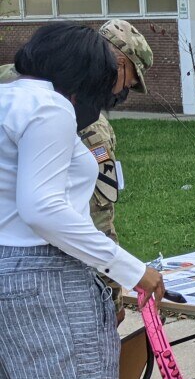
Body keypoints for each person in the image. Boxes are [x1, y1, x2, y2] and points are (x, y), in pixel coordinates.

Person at [0, 22, 165, 379]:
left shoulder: (7, 99)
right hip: (47, 279)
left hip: (9, 274)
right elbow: (45, 208)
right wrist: (132, 270)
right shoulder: (50, 107)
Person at [1, 19, 153, 325]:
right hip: (46, 274)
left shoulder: (12, 87)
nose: (124, 90)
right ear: (117, 63)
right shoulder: (66, 112)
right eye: (129, 79)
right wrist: (114, 285)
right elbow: (96, 210)